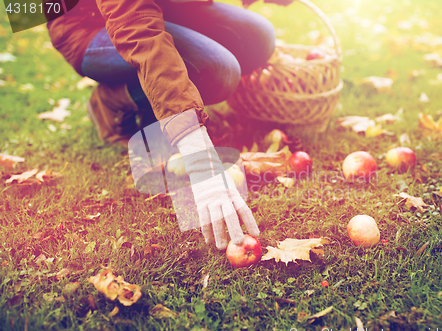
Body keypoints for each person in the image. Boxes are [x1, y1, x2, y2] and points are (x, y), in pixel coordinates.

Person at [47, 0, 292, 250]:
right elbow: (140, 32)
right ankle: (112, 100)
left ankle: (148, 100)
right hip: (85, 22)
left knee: (257, 37)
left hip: (165, 6)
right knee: (217, 70)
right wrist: (198, 157)